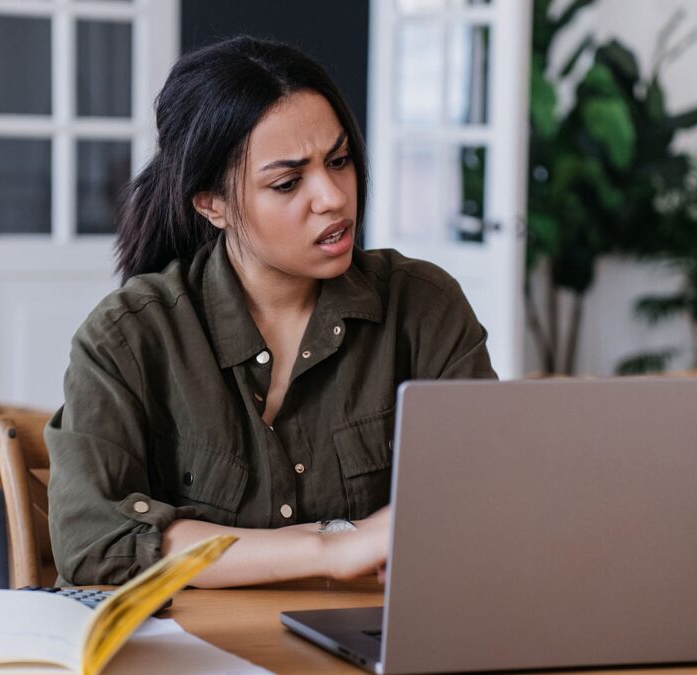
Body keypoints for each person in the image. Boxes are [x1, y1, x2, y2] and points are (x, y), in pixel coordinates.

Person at [45, 36, 497, 589]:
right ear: (211, 204)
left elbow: (485, 503)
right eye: (287, 182)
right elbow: (94, 540)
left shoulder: (423, 305)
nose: (332, 197)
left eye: (340, 160)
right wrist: (330, 550)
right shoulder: (129, 336)